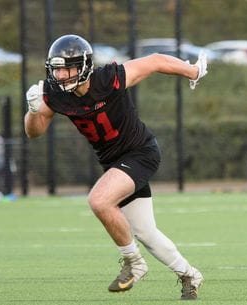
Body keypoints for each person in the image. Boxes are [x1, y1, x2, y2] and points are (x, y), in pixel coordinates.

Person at [24, 34, 208, 300]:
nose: (61, 75)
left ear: (85, 66)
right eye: (57, 69)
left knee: (99, 201)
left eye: (67, 68)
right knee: (146, 231)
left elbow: (155, 61)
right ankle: (190, 274)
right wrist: (33, 111)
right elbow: (35, 132)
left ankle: (134, 263)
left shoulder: (108, 78)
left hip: (140, 152)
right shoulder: (55, 93)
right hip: (114, 162)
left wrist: (193, 71)